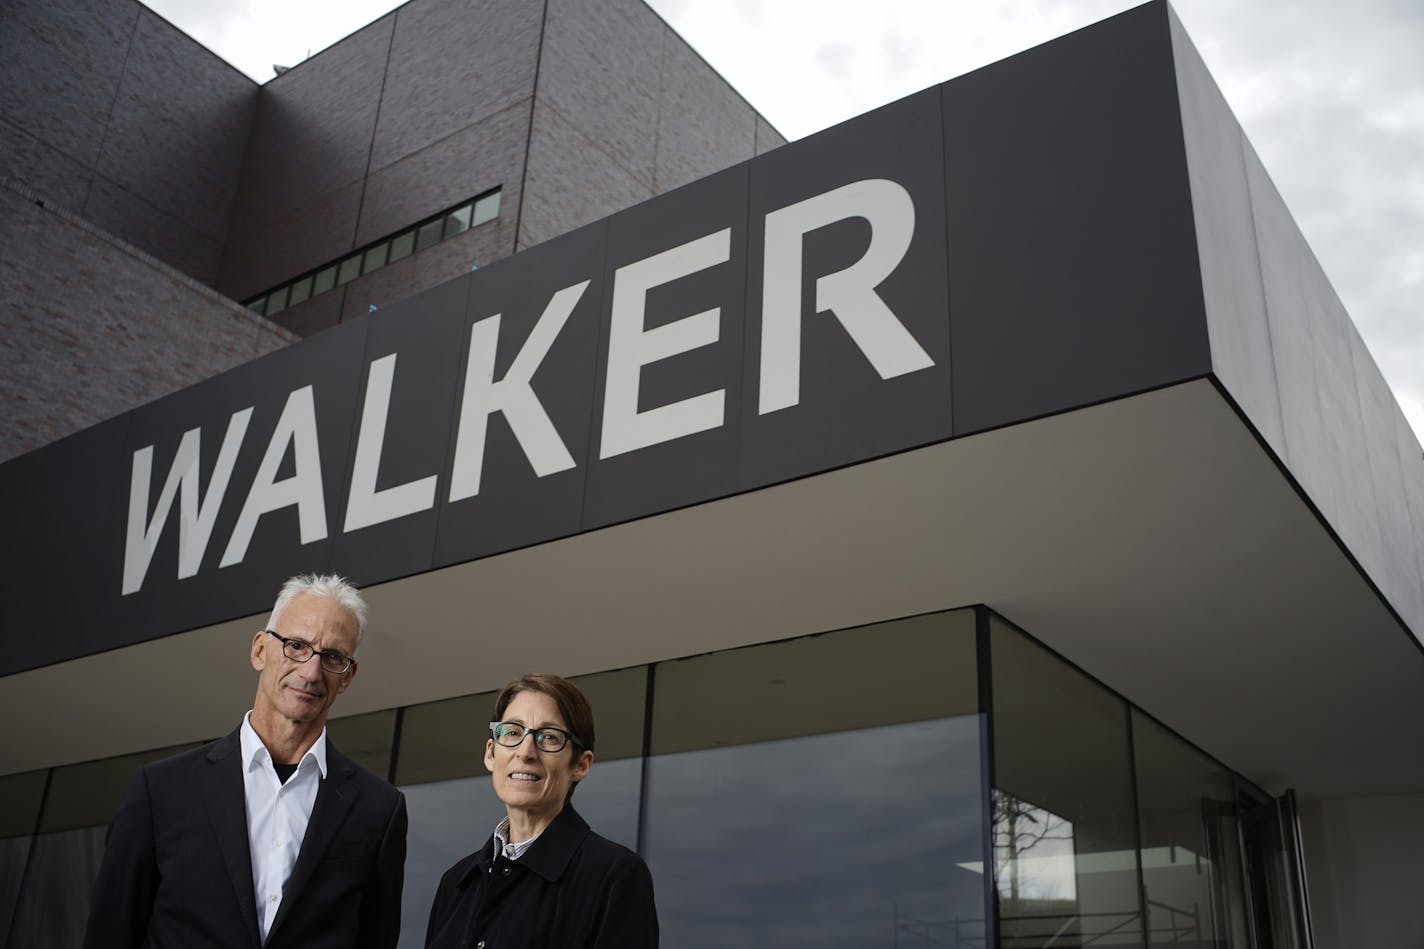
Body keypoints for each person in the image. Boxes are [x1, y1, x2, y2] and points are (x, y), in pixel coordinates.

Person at [84, 574, 407, 949]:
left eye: (332, 657)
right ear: (259, 650)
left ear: (348, 676)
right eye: (296, 646)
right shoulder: (161, 791)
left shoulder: (379, 810)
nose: (311, 671)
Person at [424, 674, 658, 948]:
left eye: (548, 737)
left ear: (581, 765)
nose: (525, 752)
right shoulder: (455, 884)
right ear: (490, 753)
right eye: (512, 732)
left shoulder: (614, 877)